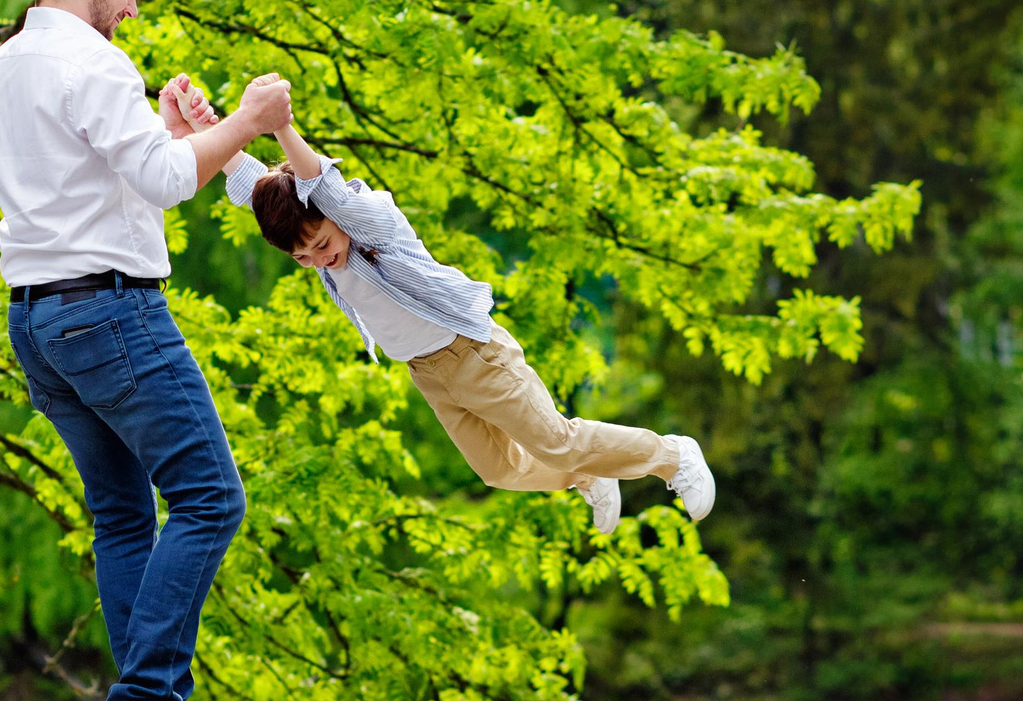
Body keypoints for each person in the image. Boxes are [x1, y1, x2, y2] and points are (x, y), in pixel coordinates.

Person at [0, 0, 292, 701]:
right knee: (211, 497)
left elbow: (98, 182)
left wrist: (170, 130)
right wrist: (251, 121)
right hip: (112, 316)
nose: (132, 6)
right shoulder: (92, 60)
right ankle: (147, 698)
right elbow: (161, 183)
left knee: (121, 513)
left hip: (37, 321)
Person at [202, 111, 716, 531]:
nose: (321, 259)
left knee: (556, 440)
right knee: (498, 469)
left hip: (473, 352)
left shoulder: (372, 222)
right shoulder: (308, 236)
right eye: (305, 259)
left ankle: (671, 456)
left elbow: (321, 186)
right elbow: (257, 187)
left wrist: (281, 125)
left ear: (334, 217)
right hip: (429, 374)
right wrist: (210, 130)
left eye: (322, 245)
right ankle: (589, 475)